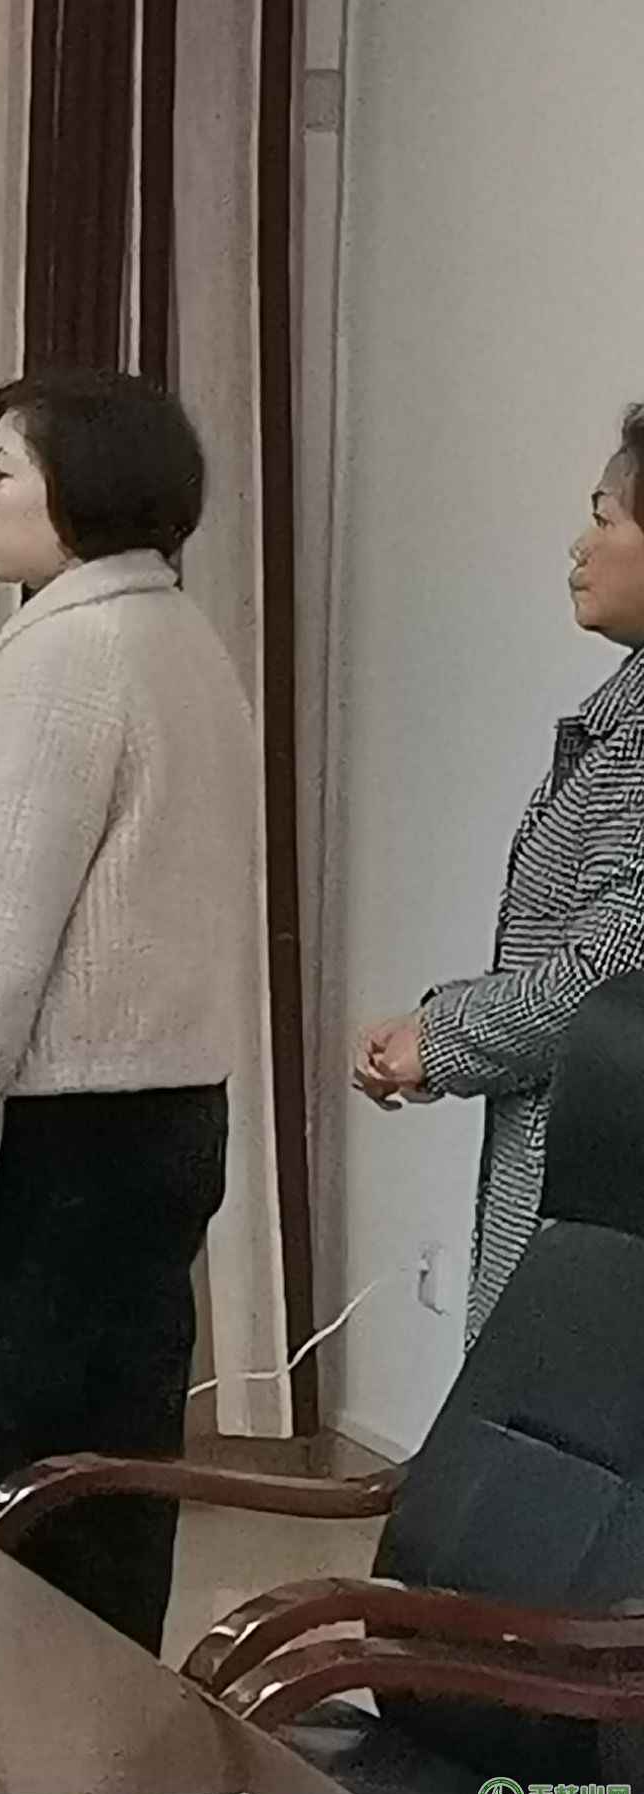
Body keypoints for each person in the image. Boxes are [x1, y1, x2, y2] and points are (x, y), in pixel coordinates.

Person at [0, 370, 262, 1650]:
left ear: (81, 490)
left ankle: (23, 1710)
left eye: (2, 470)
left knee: (10, 1441)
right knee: (121, 1445)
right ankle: (114, 1703)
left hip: (62, 1123)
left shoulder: (69, 653)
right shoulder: (180, 637)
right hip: (173, 1110)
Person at [354, 405, 644, 1335]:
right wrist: (442, 1023)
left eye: (604, 518)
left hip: (604, 1197)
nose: (579, 546)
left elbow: (610, 976)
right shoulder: (622, 718)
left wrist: (443, 1037)